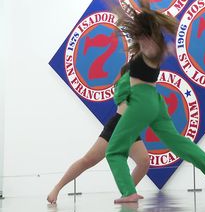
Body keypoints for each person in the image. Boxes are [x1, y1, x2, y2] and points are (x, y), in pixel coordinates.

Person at [105, 0, 205, 203]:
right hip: (156, 102)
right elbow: (139, 35)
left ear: (144, 33)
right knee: (179, 143)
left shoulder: (149, 48)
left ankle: (129, 192)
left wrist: (157, 48)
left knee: (114, 151)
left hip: (142, 102)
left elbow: (150, 48)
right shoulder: (146, 50)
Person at [47, 65, 150, 204]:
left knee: (144, 161)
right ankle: (56, 189)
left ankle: (128, 192)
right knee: (88, 160)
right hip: (118, 125)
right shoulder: (127, 81)